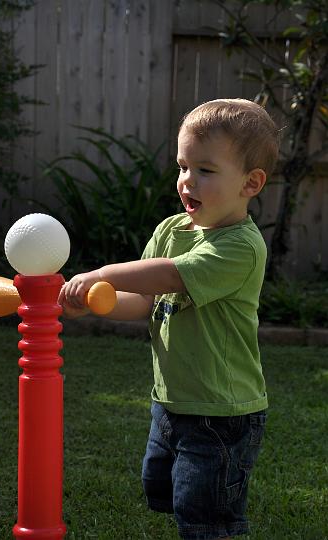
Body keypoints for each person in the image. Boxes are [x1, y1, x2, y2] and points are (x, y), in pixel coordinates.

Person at [58, 98, 280, 540]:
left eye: (205, 170)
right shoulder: (171, 230)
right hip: (171, 402)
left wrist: (101, 273)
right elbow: (142, 300)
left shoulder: (240, 246)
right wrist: (99, 301)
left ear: (251, 183)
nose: (186, 181)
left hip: (221, 413)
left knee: (206, 517)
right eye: (182, 167)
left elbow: (171, 275)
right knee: (161, 488)